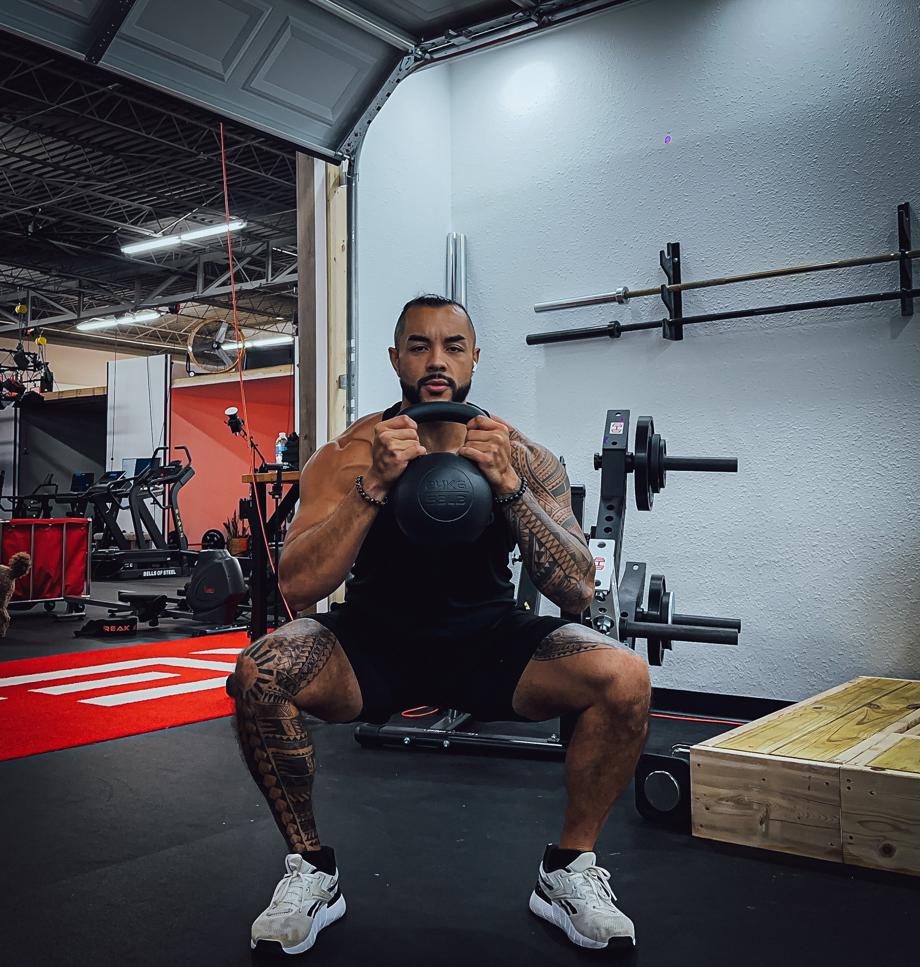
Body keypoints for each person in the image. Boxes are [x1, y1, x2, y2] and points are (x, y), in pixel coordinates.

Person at [227, 294, 651, 955]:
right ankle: (312, 869)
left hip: (489, 641)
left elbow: (578, 587)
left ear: (475, 357)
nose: (436, 360)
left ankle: (568, 870)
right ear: (396, 357)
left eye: (453, 345)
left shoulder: (524, 455)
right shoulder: (347, 454)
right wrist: (373, 486)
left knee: (624, 676)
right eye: (419, 345)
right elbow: (297, 585)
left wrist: (509, 487)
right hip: (371, 642)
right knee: (260, 670)